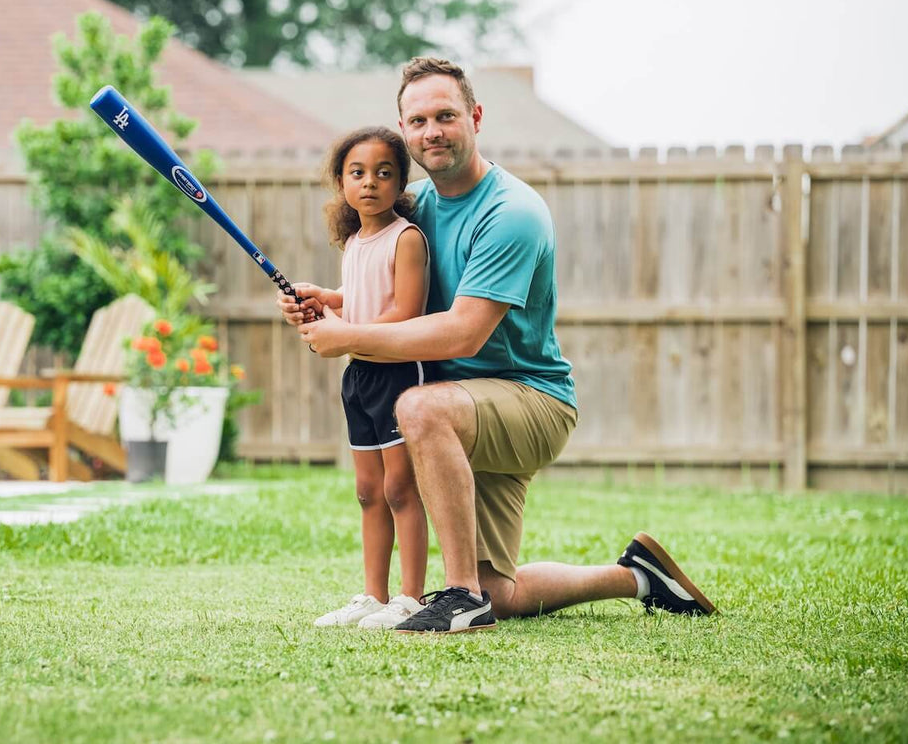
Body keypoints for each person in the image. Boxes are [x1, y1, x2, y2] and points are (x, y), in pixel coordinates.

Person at [280, 57, 716, 634]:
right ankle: (638, 576)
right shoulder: (417, 205)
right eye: (418, 121)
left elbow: (464, 331)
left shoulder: (512, 212)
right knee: (503, 592)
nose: (431, 130)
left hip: (527, 399)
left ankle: (461, 597)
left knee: (418, 406)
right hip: (462, 408)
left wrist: (347, 338)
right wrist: (332, 300)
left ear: (475, 117)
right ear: (405, 133)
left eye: (445, 116)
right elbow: (392, 291)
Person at [304, 127, 432, 630]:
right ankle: (373, 598)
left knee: (401, 489)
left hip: (399, 374)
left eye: (384, 173)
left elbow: (405, 311)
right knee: (368, 491)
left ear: (401, 182)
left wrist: (344, 329)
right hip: (359, 375)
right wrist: (328, 297)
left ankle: (410, 598)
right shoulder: (356, 240)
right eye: (357, 173)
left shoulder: (407, 237)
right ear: (341, 182)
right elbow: (361, 295)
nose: (370, 183)